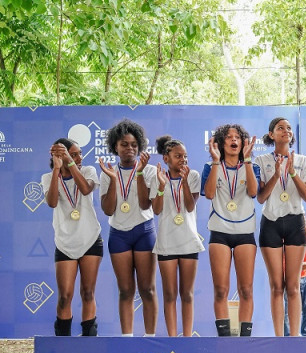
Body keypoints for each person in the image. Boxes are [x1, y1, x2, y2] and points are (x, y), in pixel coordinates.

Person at [98, 119, 158, 336]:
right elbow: (108, 209)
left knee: (148, 290)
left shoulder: (149, 170)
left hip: (144, 232)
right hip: (119, 235)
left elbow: (145, 204)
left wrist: (140, 173)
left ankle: (150, 338)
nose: (130, 148)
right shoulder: (107, 172)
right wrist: (113, 179)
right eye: (124, 144)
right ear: (115, 146)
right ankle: (127, 340)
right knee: (125, 291)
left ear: (139, 146)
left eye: (134, 144)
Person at [254, 117, 306, 336]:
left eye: (288, 128)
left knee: (293, 286)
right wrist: (277, 174)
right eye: (280, 128)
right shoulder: (261, 160)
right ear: (272, 135)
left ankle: (295, 337)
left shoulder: (303, 161)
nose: (285, 131)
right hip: (270, 222)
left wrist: (292, 173)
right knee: (276, 286)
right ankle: (280, 337)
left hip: (295, 221)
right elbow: (260, 198)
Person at [203, 124, 258, 337]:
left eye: (237, 137)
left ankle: (245, 339)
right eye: (228, 137)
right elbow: (208, 194)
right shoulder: (211, 166)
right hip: (219, 232)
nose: (233, 140)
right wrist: (216, 161)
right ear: (220, 142)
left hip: (245, 233)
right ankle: (224, 339)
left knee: (246, 289)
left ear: (243, 142)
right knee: (221, 290)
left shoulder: (251, 166)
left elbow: (253, 192)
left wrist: (248, 161)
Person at [44, 138, 103, 336]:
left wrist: (70, 162)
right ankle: (62, 344)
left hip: (90, 239)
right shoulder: (48, 176)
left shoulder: (88, 171)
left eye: (79, 154)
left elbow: (86, 189)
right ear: (59, 156)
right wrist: (56, 170)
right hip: (65, 242)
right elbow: (52, 202)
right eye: (74, 153)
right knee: (65, 296)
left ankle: (89, 342)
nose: (79, 157)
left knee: (87, 293)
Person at [151, 136, 204, 337]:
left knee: (187, 295)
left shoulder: (193, 176)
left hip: (189, 242)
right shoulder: (157, 177)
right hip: (166, 243)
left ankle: (187, 338)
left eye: (185, 156)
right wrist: (162, 185)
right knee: (170, 295)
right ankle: (173, 338)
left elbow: (190, 206)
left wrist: (184, 182)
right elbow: (156, 210)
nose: (183, 160)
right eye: (178, 156)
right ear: (166, 158)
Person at [283, 226, 306, 337]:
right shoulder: (286, 234)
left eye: (304, 217)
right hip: (290, 277)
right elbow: (290, 266)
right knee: (288, 309)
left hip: (305, 276)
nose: (303, 219)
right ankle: (289, 336)